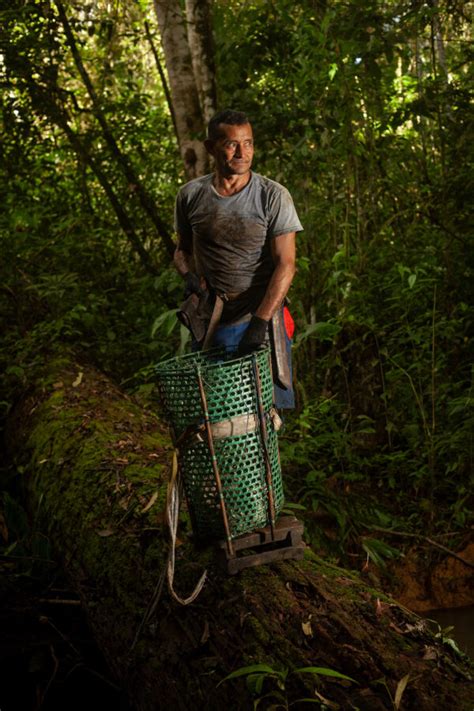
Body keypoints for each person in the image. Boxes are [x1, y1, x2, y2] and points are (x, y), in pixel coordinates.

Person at [173, 109, 303, 408]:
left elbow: (286, 264)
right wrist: (188, 276)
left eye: (249, 143)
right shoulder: (190, 196)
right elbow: (182, 250)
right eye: (232, 144)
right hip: (213, 318)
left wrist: (260, 322)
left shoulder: (272, 195)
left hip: (262, 316)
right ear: (210, 147)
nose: (242, 152)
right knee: (216, 411)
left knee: (265, 412)